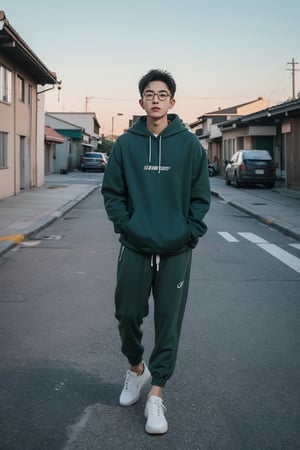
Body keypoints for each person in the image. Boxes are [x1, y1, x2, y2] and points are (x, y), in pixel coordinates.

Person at [101, 69, 211, 435]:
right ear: (141, 101)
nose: (156, 99)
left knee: (168, 324)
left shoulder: (189, 145)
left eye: (162, 94)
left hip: (176, 251)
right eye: (149, 94)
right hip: (134, 246)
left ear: (172, 102)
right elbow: (112, 193)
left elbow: (201, 197)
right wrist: (127, 226)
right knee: (127, 314)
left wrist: (189, 233)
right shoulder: (126, 145)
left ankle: (156, 395)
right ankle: (136, 369)